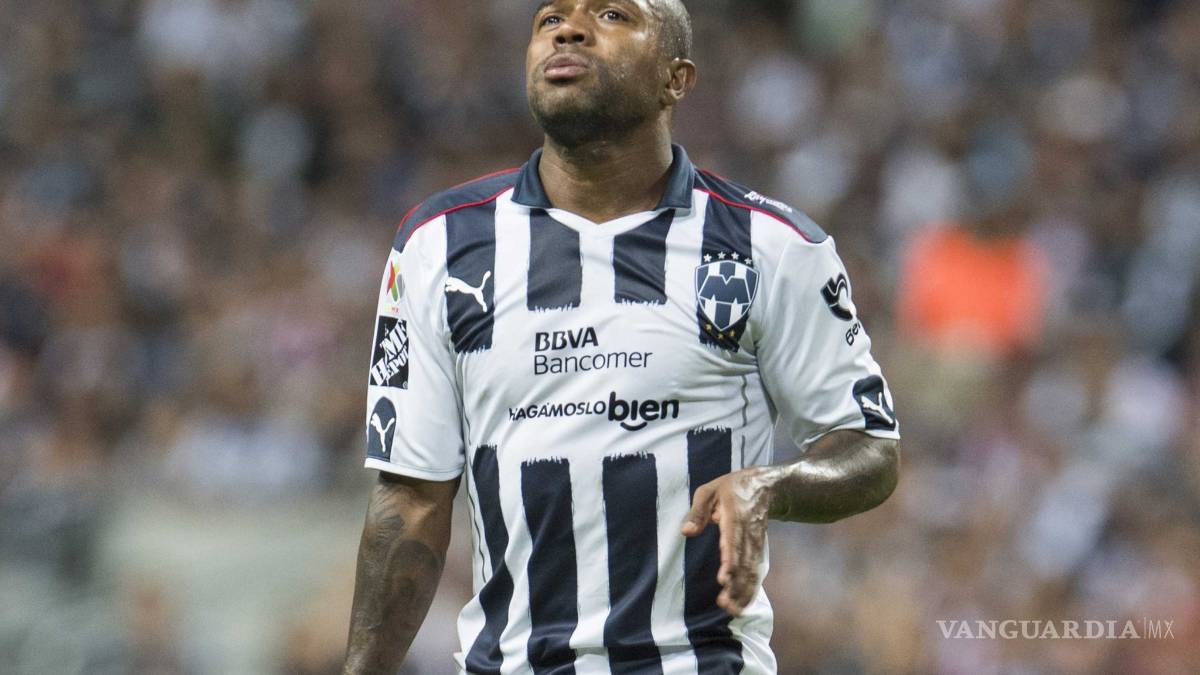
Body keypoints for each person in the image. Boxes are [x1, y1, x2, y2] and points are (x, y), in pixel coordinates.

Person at [344, 1, 900, 673]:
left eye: (611, 13)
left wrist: (771, 486)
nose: (568, 29)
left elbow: (869, 447)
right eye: (549, 18)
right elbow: (410, 500)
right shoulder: (439, 245)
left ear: (676, 79)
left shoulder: (772, 247)